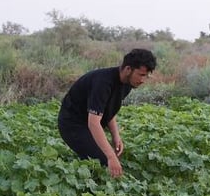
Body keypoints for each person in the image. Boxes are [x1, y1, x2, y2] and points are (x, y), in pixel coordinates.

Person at [57, 48, 157, 178]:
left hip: (89, 122)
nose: (143, 80)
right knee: (105, 163)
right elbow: (93, 123)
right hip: (72, 124)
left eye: (146, 76)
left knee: (110, 158)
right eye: (141, 75)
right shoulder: (103, 82)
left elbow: (109, 110)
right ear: (128, 69)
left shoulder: (128, 83)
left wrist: (116, 136)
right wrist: (110, 157)